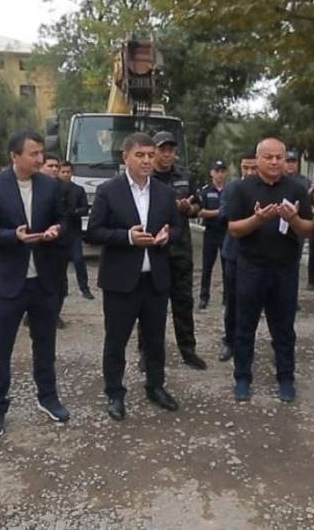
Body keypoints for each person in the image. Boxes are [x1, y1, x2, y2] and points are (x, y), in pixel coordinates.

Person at [0, 132, 69, 439]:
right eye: (33, 154)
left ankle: (48, 397)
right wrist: (12, 237)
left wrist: (56, 230)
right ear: (14, 156)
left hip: (44, 281)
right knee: (0, 349)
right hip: (7, 282)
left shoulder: (50, 186)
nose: (40, 159)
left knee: (45, 345)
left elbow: (64, 220)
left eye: (41, 153)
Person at [88, 132, 183, 421]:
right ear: (125, 157)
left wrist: (167, 234)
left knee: (155, 339)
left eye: (150, 155)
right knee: (116, 340)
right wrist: (127, 237)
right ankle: (115, 392)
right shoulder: (108, 191)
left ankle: (155, 386)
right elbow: (94, 231)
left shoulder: (165, 192)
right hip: (121, 281)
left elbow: (178, 227)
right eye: (140, 155)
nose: (146, 161)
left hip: (155, 280)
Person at [228, 138, 314, 402]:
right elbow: (234, 229)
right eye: (269, 157)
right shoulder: (242, 189)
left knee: (284, 328)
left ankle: (286, 378)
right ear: (258, 159)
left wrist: (293, 218)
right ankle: (242, 378)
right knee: (245, 327)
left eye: (280, 157)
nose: (275, 162)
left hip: (285, 270)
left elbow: (308, 229)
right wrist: (257, 219)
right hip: (251, 268)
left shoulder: (297, 188)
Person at [149, 131, 207, 369]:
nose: (167, 154)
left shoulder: (184, 176)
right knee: (152, 305)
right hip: (154, 248)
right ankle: (148, 351)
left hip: (181, 249)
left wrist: (188, 208)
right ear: (154, 151)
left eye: (171, 150)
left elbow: (198, 205)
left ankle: (188, 350)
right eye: (162, 150)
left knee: (183, 302)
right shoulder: (146, 177)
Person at [217, 151, 258, 362]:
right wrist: (250, 216)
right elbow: (223, 214)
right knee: (232, 301)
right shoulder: (232, 188)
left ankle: (248, 342)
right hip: (234, 252)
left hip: (259, 254)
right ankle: (230, 341)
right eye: (245, 168)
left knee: (254, 303)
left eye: (253, 168)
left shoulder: (267, 187)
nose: (249, 172)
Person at [40, 155, 70, 329]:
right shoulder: (33, 186)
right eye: (50, 165)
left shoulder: (64, 188)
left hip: (60, 243)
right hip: (36, 243)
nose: (54, 169)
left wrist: (59, 229)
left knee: (59, 284)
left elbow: (66, 215)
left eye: (56, 166)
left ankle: (54, 314)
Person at [58, 161, 93, 300]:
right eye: (63, 172)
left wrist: (75, 212)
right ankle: (63, 289)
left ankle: (85, 288)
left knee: (79, 260)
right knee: (61, 263)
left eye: (68, 172)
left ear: (72, 173)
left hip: (74, 231)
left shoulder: (78, 190)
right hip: (59, 231)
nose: (65, 174)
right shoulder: (53, 189)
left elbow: (85, 208)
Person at [197, 160, 229, 310]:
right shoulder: (205, 191)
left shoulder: (229, 191)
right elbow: (200, 212)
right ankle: (204, 297)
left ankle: (227, 297)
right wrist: (218, 212)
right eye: (217, 171)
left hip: (226, 232)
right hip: (211, 232)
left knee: (227, 267)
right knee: (207, 266)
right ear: (212, 173)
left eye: (222, 171)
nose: (220, 174)